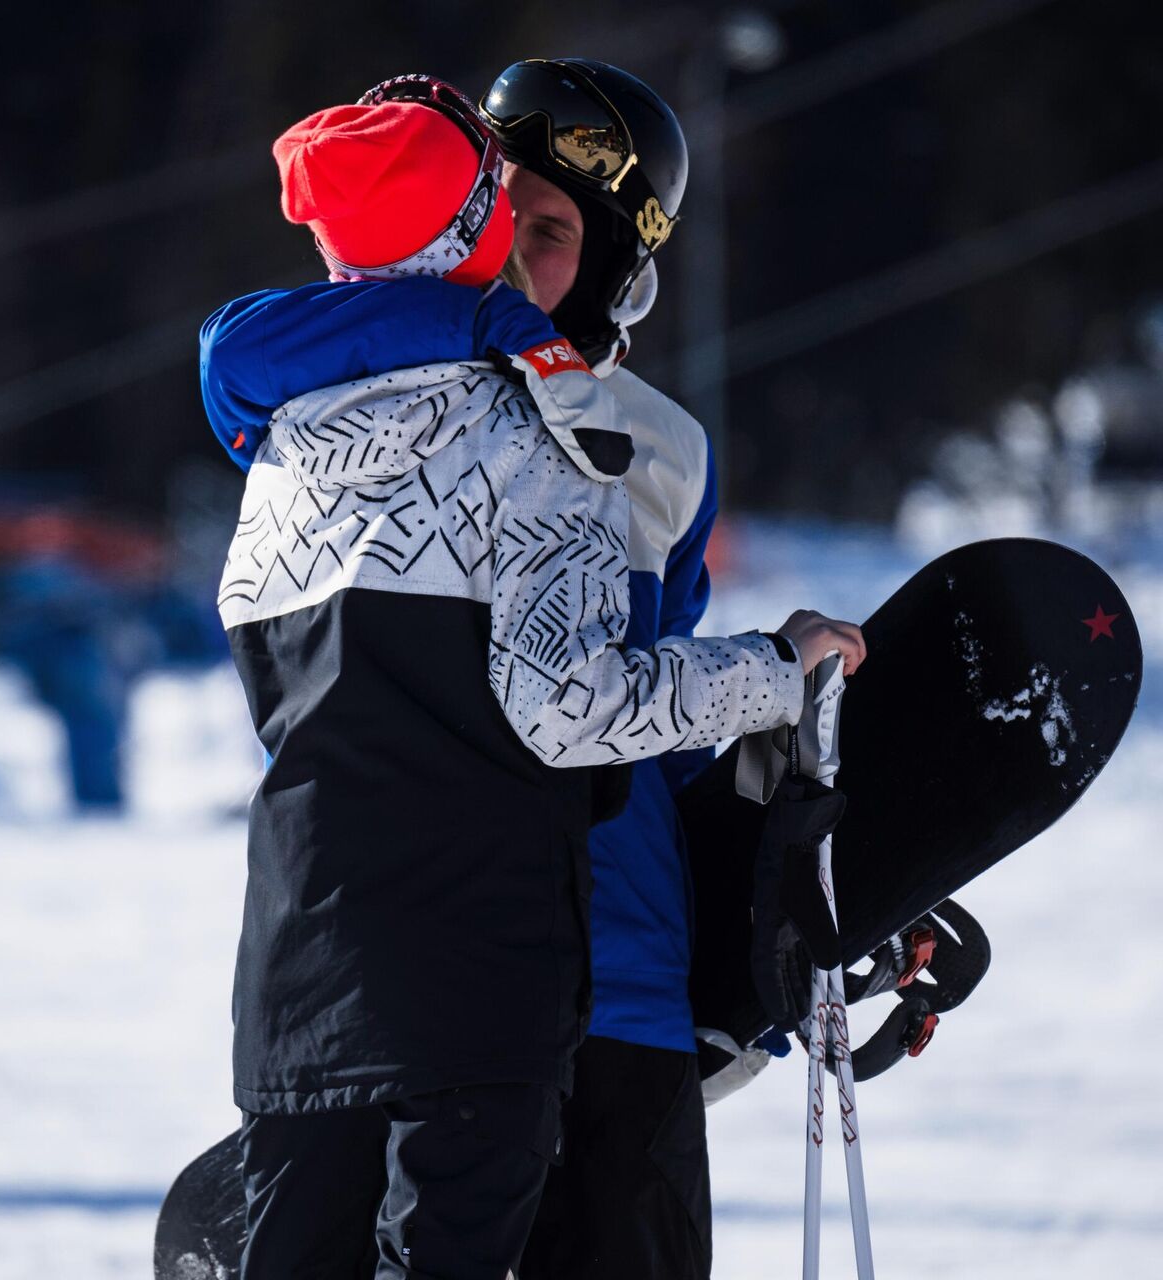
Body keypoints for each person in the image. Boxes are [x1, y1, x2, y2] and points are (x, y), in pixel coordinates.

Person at [205, 76, 865, 1279]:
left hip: (605, 969)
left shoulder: (656, 447)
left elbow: (650, 736)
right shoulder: (378, 395)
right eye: (500, 218)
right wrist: (771, 675)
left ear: (619, 262)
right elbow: (563, 699)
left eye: (549, 233)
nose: (513, 253)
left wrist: (762, 886)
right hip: (447, 965)